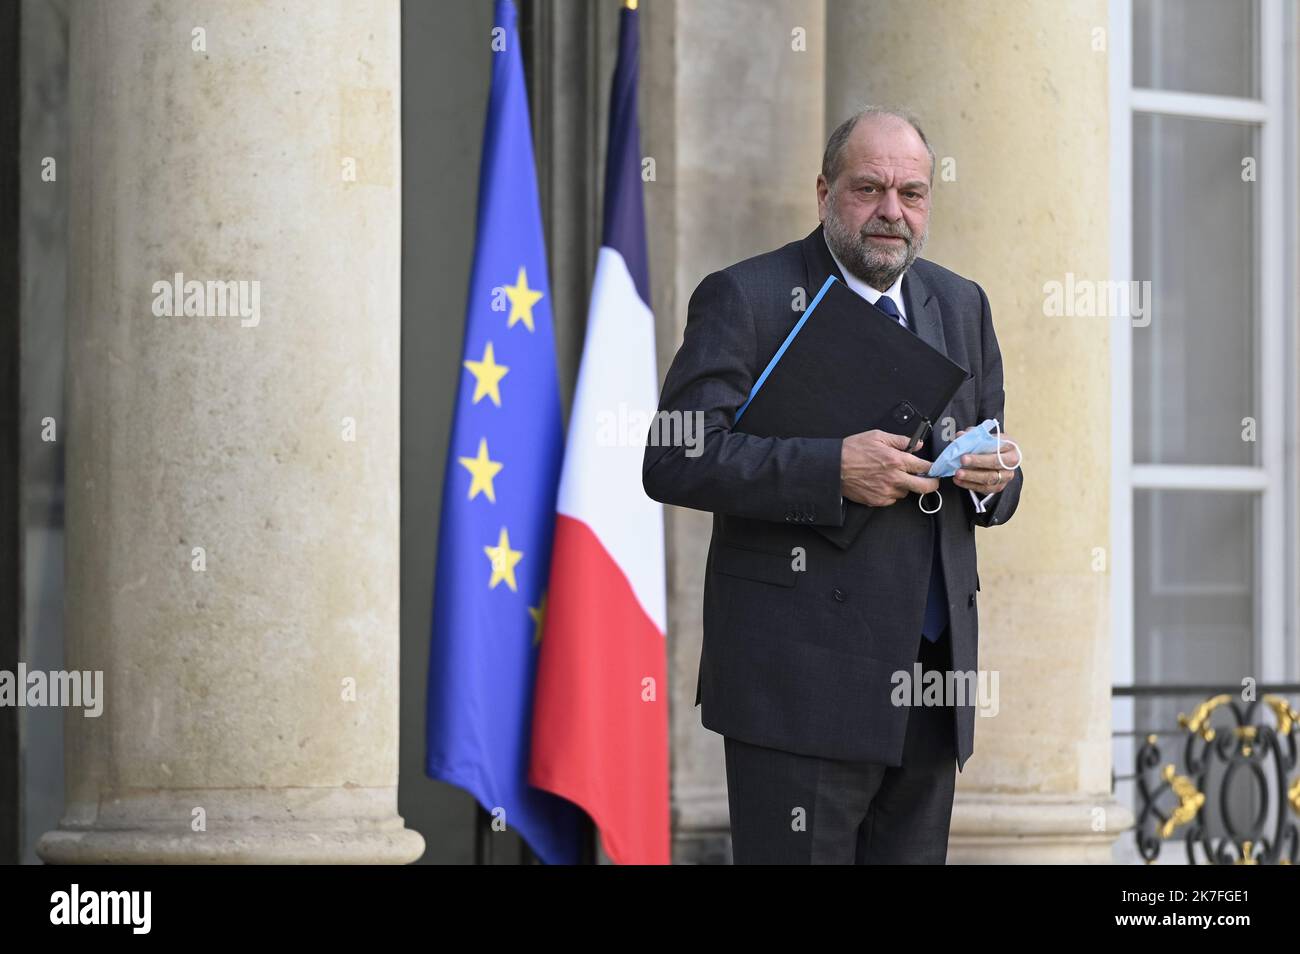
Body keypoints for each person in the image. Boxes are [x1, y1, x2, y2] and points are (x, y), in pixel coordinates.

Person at [642, 106, 1024, 864]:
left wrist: (994, 477)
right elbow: (674, 456)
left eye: (912, 194)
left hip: (928, 685)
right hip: (798, 687)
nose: (892, 213)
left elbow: (998, 474)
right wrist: (830, 468)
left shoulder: (960, 302)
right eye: (869, 189)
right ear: (824, 191)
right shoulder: (746, 296)